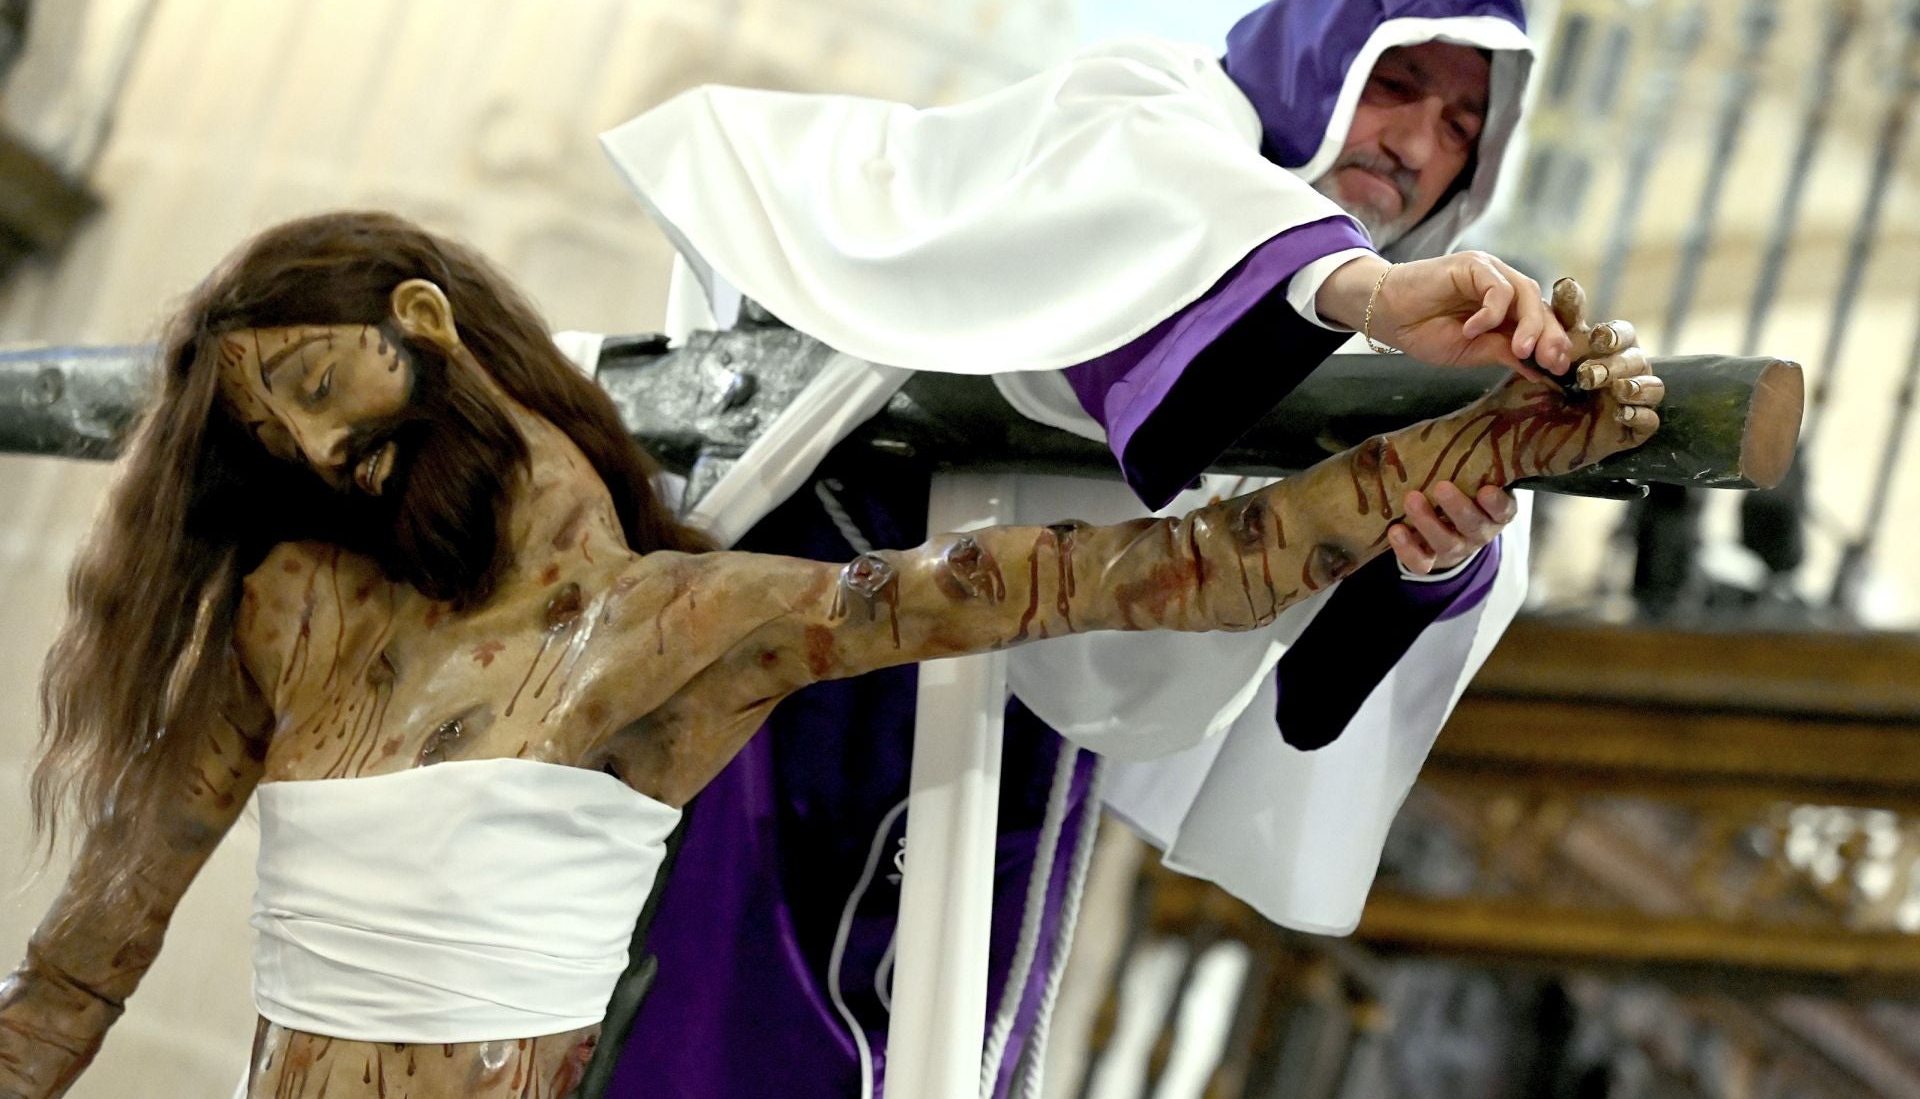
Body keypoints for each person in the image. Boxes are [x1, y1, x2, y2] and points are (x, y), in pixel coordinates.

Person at [0, 211, 1656, 1098]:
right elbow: (78, 968)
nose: (305, 446)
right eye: (269, 430)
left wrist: (1490, 447)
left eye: (311, 387)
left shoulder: (683, 633)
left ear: (422, 327)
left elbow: (1167, 570)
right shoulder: (294, 611)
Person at [592, 0, 1569, 1095]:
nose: (1414, 145)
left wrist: (1431, 548)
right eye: (1396, 85)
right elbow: (1160, 201)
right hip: (817, 618)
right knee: (707, 1013)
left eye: (1459, 127)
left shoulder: (1393, 337)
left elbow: (1300, 650)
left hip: (1017, 732)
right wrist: (1353, 287)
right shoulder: (1154, 105)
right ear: (1321, 56)